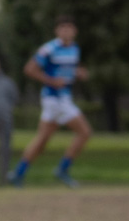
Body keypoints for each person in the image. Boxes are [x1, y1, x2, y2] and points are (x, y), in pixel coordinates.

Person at [11, 18, 92, 188]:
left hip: (63, 97)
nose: (66, 32)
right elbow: (29, 69)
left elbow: (68, 70)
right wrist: (51, 81)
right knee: (84, 132)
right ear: (57, 31)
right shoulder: (49, 49)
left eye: (69, 28)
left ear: (74, 31)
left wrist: (79, 73)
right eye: (62, 28)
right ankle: (62, 169)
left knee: (43, 139)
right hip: (55, 98)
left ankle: (18, 173)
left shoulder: (75, 48)